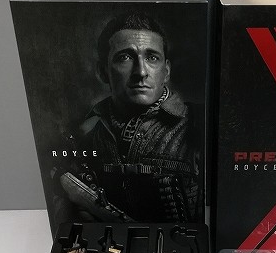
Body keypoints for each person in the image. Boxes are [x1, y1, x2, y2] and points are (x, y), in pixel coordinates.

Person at [53, 12, 202, 225]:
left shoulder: (199, 125)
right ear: (103, 71)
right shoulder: (83, 135)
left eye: (152, 57)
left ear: (166, 71)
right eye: (125, 57)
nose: (140, 72)